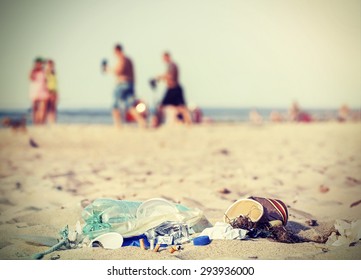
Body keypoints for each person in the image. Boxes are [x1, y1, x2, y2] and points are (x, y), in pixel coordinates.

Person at [104, 44, 146, 128]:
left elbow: (118, 71)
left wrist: (108, 69)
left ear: (117, 51)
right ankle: (141, 121)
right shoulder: (129, 59)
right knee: (130, 106)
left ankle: (117, 125)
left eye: (114, 52)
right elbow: (133, 74)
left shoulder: (122, 59)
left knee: (115, 105)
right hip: (130, 84)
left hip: (122, 85)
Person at [156, 52, 192, 125]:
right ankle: (157, 123)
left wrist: (161, 77)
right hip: (172, 89)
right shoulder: (170, 66)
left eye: (164, 58)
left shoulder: (172, 65)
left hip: (174, 89)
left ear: (167, 57)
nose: (163, 60)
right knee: (179, 107)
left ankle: (188, 122)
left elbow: (170, 76)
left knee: (179, 107)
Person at [29, 57, 49, 125]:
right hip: (35, 91)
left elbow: (47, 80)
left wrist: (44, 63)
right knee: (35, 108)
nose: (39, 65)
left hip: (43, 91)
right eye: (37, 63)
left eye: (40, 63)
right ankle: (35, 122)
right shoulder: (33, 71)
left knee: (43, 109)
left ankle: (41, 122)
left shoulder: (44, 71)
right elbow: (31, 78)